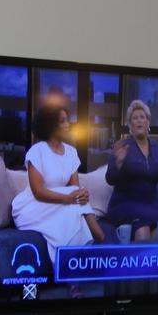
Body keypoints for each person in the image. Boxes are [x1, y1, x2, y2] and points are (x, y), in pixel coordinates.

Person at [10, 104, 105, 259]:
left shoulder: (72, 152)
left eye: (67, 120)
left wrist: (81, 195)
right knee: (72, 199)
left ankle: (69, 269)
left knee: (75, 207)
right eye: (62, 121)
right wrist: (69, 197)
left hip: (58, 204)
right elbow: (38, 192)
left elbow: (75, 187)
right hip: (33, 206)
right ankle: (100, 237)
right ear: (50, 125)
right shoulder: (37, 151)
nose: (68, 125)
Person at [101, 99, 158, 242]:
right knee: (142, 229)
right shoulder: (122, 147)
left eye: (142, 117)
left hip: (151, 204)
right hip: (125, 203)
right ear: (130, 125)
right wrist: (118, 162)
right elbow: (110, 179)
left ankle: (157, 265)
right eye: (135, 118)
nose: (139, 121)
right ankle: (139, 263)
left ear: (148, 122)